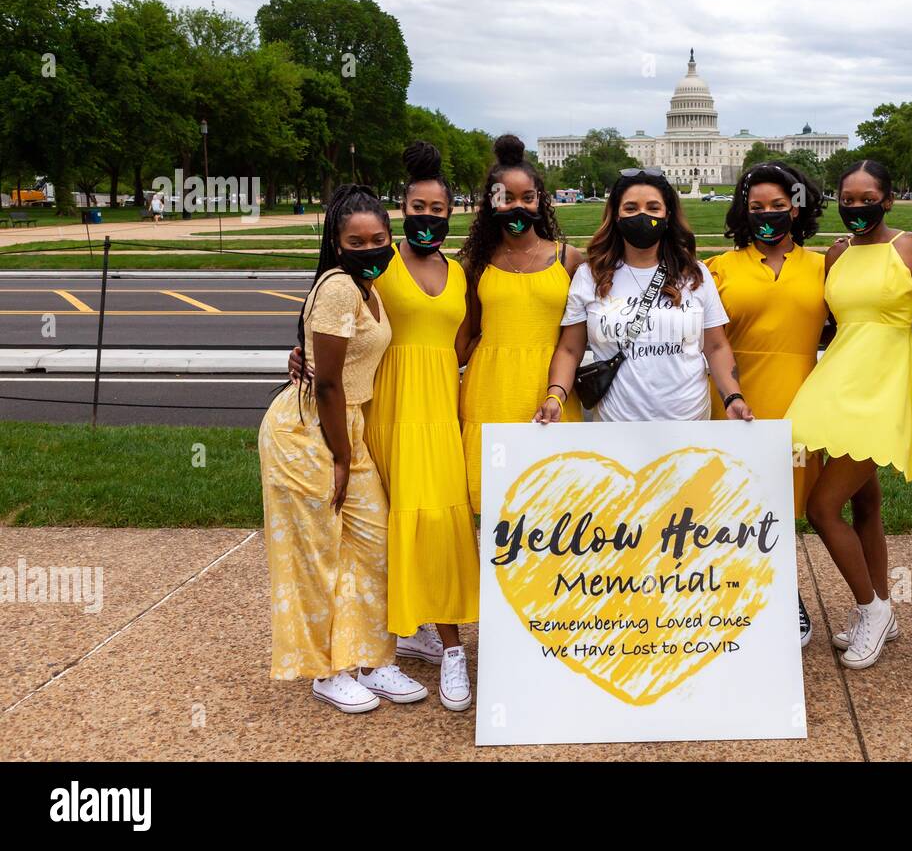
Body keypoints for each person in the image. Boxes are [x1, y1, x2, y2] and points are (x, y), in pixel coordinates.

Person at [288, 144, 479, 712]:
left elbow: (464, 342)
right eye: (417, 206)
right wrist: (298, 355)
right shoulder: (377, 259)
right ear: (402, 209)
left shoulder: (459, 271)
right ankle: (391, 641)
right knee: (380, 531)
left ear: (451, 212)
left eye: (438, 208)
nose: (428, 216)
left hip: (438, 408)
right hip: (381, 411)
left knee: (440, 524)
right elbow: (325, 315)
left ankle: (450, 649)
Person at [260, 184, 427, 713]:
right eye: (357, 241)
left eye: (379, 237)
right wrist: (339, 456)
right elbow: (328, 383)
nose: (371, 247)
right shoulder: (338, 287)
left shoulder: (367, 287)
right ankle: (327, 670)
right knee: (317, 554)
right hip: (311, 431)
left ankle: (374, 659)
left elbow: (330, 357)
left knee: (371, 545)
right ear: (336, 244)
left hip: (344, 425)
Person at [785, 160, 912, 669]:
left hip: (886, 383)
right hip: (838, 379)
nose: (856, 207)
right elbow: (835, 321)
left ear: (889, 198)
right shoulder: (837, 253)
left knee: (822, 507)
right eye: (847, 199)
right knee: (864, 503)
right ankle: (884, 612)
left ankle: (870, 609)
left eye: (867, 197)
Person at [707, 160, 830, 649]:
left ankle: (784, 594)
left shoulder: (824, 264)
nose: (768, 215)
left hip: (801, 396)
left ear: (797, 207)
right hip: (735, 399)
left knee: (781, 506)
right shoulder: (718, 267)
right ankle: (733, 592)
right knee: (735, 506)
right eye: (756, 207)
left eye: (779, 206)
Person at [535, 167, 753, 425]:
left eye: (653, 207)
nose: (642, 215)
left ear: (667, 215)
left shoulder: (694, 274)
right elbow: (570, 350)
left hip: (689, 424)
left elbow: (716, 347)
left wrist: (733, 397)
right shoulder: (590, 276)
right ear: (616, 215)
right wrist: (555, 395)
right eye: (630, 208)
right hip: (617, 427)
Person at [459, 134, 584, 515]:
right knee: (500, 511)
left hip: (551, 390)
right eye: (506, 198)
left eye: (527, 197)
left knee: (558, 509)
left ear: (539, 200)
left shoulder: (570, 259)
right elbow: (460, 340)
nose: (518, 206)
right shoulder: (474, 264)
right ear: (491, 201)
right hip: (492, 392)